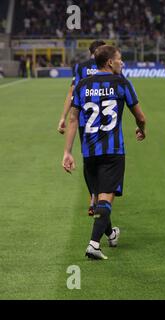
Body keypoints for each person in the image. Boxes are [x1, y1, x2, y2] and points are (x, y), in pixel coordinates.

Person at [62, 45, 146, 260]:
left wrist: (67, 152)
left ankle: (110, 232)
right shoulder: (121, 83)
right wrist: (141, 129)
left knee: (99, 198)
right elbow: (141, 117)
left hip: (89, 151)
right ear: (110, 62)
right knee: (106, 198)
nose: (122, 63)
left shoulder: (82, 85)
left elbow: (73, 119)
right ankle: (93, 244)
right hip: (113, 150)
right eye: (120, 59)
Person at [58, 40, 106, 216]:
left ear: (90, 52)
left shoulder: (81, 67)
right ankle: (103, 195)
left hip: (85, 121)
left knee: (89, 158)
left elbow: (72, 94)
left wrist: (63, 117)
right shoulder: (108, 65)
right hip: (106, 121)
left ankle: (93, 194)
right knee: (106, 157)